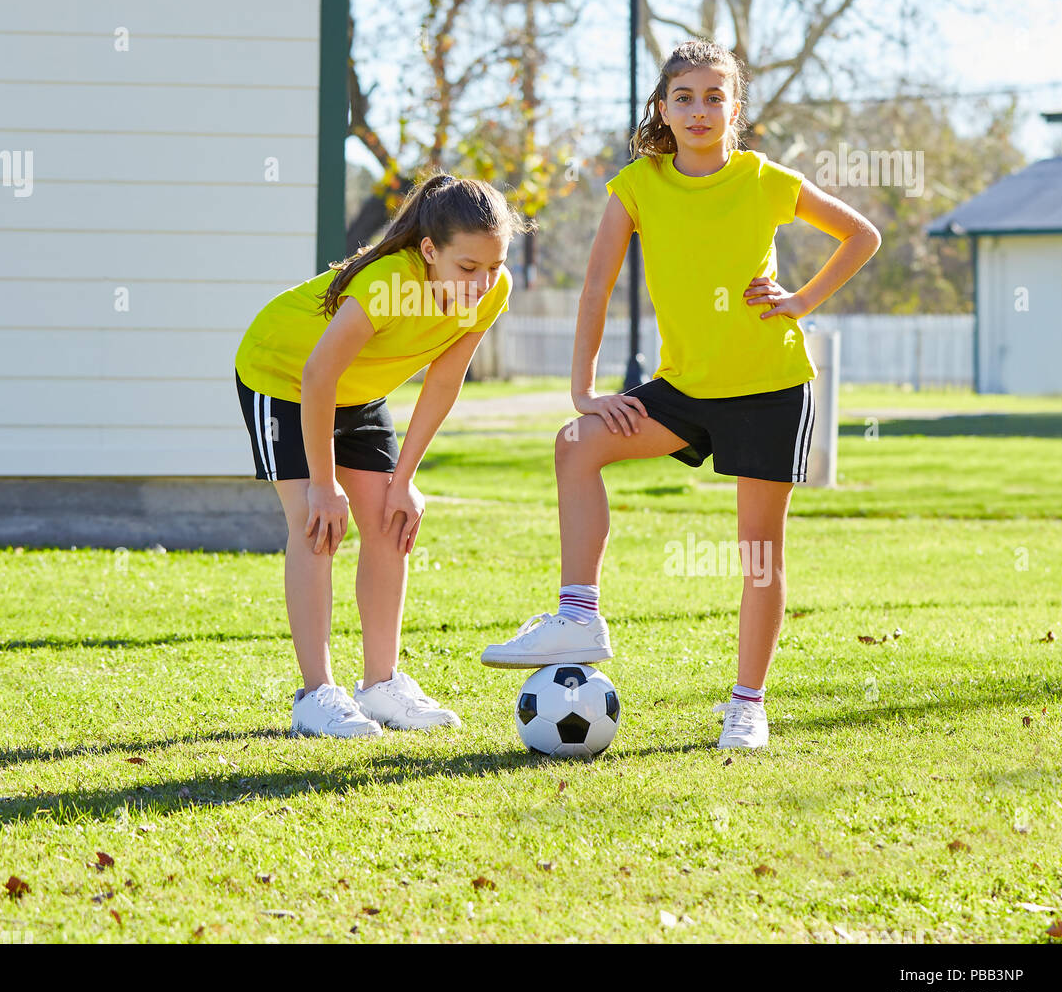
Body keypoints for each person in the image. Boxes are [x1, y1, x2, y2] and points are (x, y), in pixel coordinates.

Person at [480, 38, 881, 750]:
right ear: (662, 108)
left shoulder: (764, 179)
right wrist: (583, 389)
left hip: (769, 386)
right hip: (686, 388)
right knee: (576, 444)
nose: (700, 109)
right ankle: (579, 613)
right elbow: (596, 286)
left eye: (715, 96)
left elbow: (861, 234)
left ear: (735, 108)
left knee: (759, 553)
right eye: (685, 97)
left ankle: (747, 704)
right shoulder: (638, 185)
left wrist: (802, 299)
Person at [236, 171, 529, 738]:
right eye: (468, 268)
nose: (482, 282)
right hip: (284, 377)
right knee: (316, 526)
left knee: (392, 523)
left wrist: (405, 479)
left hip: (359, 390)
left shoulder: (493, 288)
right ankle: (317, 694)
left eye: (494, 266)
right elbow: (319, 373)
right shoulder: (389, 281)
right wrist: (323, 483)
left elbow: (445, 381)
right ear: (428, 251)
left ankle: (381, 684)